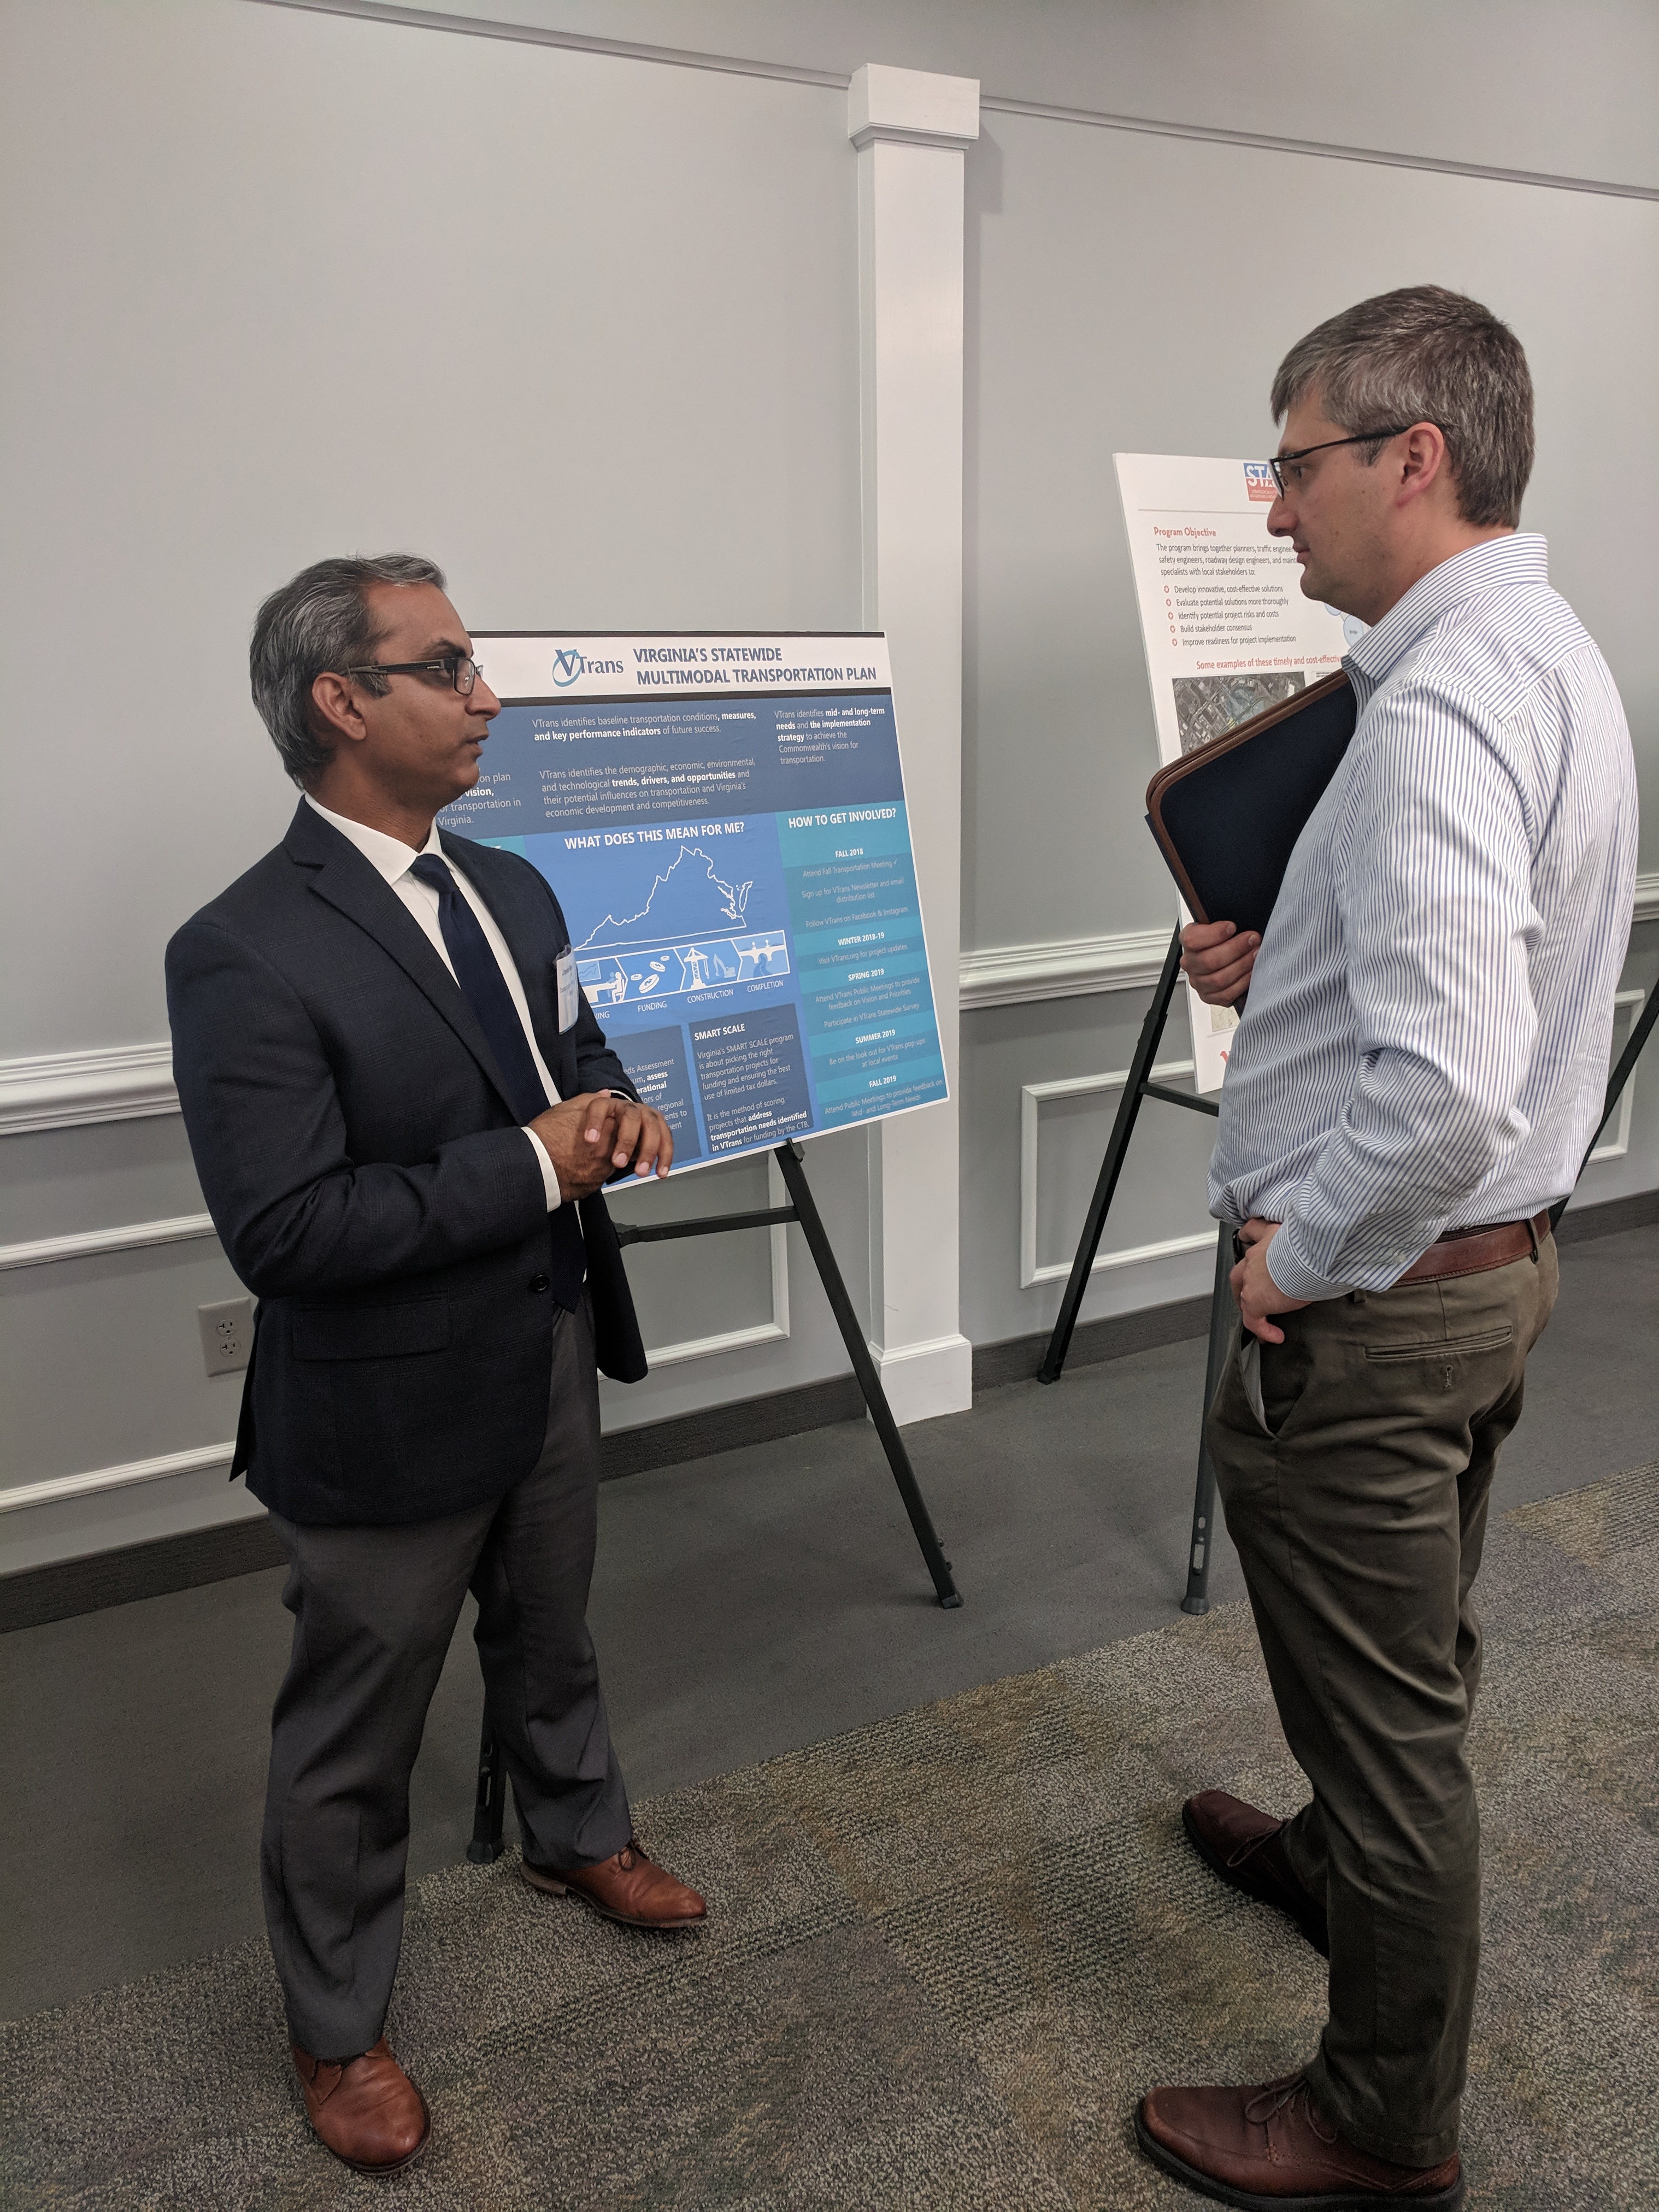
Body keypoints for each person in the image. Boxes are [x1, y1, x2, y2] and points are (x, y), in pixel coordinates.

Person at [1134, 289, 1637, 2208]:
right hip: (1491, 1273)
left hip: (1376, 1298)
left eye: (1291, 464)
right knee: (1409, 1650)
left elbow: (1435, 1093)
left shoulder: (1431, 708)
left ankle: (1377, 2127)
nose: (1271, 507)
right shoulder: (1541, 648)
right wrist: (1297, 954)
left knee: (1393, 1722)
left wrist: (1295, 1264)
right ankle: (1329, 1864)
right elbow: (1486, 968)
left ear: (1408, 459)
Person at [167, 555, 707, 2179]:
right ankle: (336, 2025)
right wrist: (540, 1163)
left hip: (547, 1344)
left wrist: (613, 1107)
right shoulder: (242, 948)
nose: (490, 696)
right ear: (341, 701)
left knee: (553, 1628)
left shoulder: (514, 889)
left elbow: (573, 1048)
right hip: (383, 1404)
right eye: (451, 667)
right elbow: (287, 1231)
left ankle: (574, 1835)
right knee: (355, 1726)